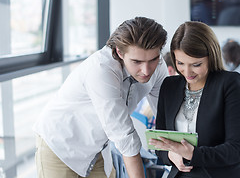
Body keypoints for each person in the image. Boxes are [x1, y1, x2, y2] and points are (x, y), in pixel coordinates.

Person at [33, 17, 168, 178]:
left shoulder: (158, 66)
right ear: (119, 52)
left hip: (96, 151)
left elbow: (165, 114)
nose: (146, 70)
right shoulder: (101, 70)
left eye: (153, 59)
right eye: (137, 61)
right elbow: (125, 137)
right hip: (59, 146)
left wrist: (175, 154)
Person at [149, 21, 240, 178]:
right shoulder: (169, 86)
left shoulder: (230, 83)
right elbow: (160, 144)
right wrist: (171, 155)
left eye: (196, 64)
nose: (187, 71)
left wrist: (193, 154)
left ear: (211, 57)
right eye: (180, 63)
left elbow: (236, 150)